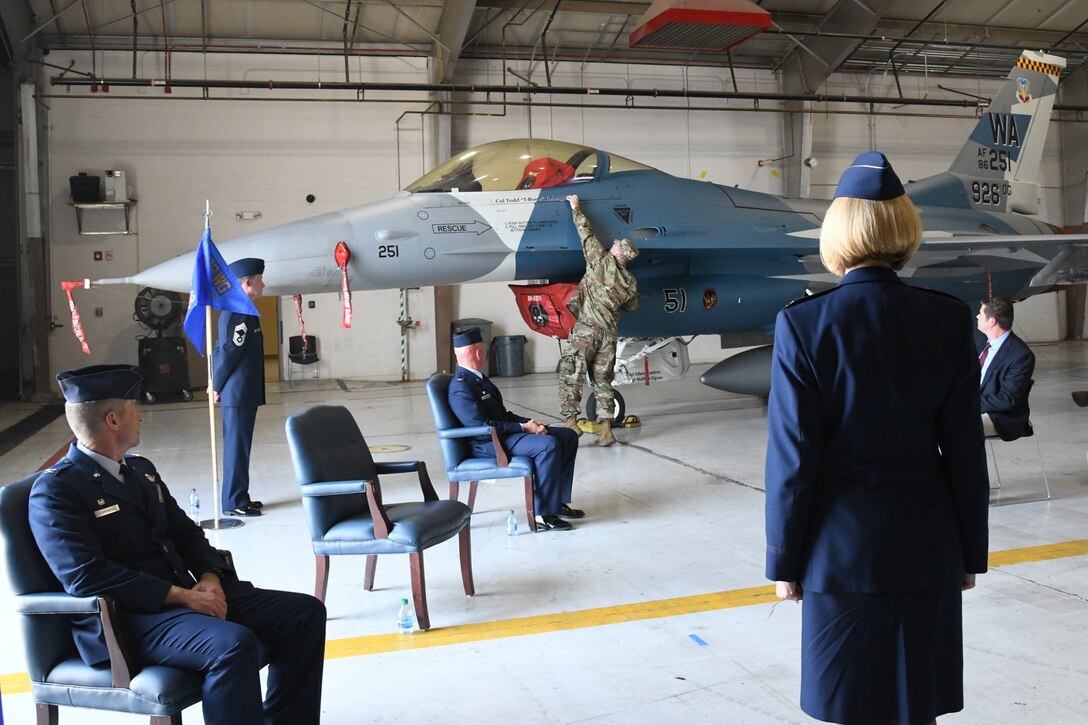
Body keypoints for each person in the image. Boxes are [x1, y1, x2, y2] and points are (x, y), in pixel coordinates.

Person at [764, 152, 990, 724]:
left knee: (849, 706)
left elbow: (794, 459)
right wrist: (969, 552)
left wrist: (783, 561)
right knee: (916, 708)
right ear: (904, 230)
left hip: (837, 556)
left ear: (837, 233)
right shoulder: (948, 318)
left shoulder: (805, 324)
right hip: (927, 550)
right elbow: (964, 450)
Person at [29, 364, 327, 725]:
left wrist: (209, 576)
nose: (140, 415)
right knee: (233, 645)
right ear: (112, 420)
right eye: (133, 408)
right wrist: (182, 596)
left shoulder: (140, 470)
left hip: (182, 599)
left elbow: (185, 532)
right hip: (127, 620)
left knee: (304, 614)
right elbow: (88, 577)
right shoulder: (57, 489)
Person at [448, 327, 583, 531]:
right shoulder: (461, 387)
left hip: (501, 435)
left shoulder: (478, 379)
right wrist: (522, 427)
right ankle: (543, 513)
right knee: (548, 445)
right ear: (478, 352)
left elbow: (502, 415)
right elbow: (480, 427)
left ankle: (557, 502)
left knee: (568, 436)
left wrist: (531, 423)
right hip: (488, 443)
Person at [557, 193, 640, 446]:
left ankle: (571, 422)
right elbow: (633, 306)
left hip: (587, 331)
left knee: (571, 373)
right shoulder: (629, 283)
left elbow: (585, 233)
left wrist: (575, 208)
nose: (612, 245)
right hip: (608, 336)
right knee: (602, 382)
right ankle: (606, 430)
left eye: (615, 246)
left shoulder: (600, 262)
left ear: (617, 252)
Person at [213, 257, 266, 516]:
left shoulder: (243, 309)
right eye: (259, 280)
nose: (263, 285)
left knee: (240, 445)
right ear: (247, 283)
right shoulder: (239, 312)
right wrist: (217, 383)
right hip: (238, 390)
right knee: (236, 446)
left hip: (243, 389)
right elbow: (228, 351)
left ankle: (239, 495)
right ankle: (234, 502)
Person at [976, 296, 1035, 440]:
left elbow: (1006, 399)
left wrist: (968, 403)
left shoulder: (1020, 355)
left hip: (999, 415)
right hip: (973, 403)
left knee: (950, 426)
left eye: (981, 313)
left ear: (992, 321)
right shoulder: (982, 340)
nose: (977, 316)